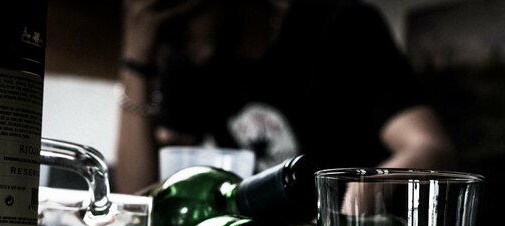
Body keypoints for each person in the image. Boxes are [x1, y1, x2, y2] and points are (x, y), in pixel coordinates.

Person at [113, 0, 456, 194]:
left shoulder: (341, 25)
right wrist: (136, 60)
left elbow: (431, 148)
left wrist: (372, 186)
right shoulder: (190, 55)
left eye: (171, 12)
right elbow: (139, 196)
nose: (169, 33)